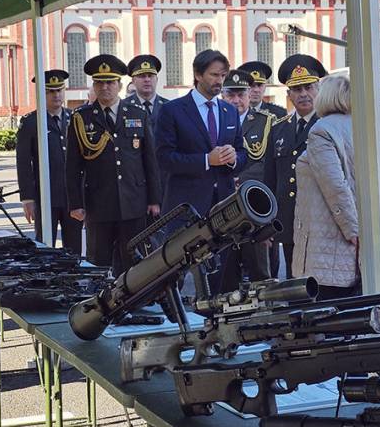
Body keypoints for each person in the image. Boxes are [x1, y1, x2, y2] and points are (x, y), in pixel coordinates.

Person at [293, 73, 380, 300]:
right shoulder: (367, 128)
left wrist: (353, 231)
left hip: (332, 239)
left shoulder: (321, 130)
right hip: (364, 240)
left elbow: (334, 186)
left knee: (330, 318)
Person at [155, 49, 246, 295]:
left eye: (223, 75)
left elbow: (242, 153)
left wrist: (232, 159)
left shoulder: (229, 111)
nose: (219, 81)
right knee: (175, 272)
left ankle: (212, 319)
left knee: (218, 274)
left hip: (223, 208)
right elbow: (164, 158)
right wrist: (206, 160)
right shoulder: (172, 111)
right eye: (213, 75)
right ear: (197, 74)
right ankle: (174, 319)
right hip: (185, 207)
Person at [66, 55, 161, 274]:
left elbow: (150, 161)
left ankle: (136, 305)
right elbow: (72, 165)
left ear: (119, 85)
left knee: (134, 263)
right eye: (100, 82)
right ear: (94, 86)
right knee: (98, 262)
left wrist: (154, 199)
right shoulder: (82, 118)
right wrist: (75, 203)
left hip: (133, 202)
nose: (105, 87)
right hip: (99, 203)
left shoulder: (137, 113)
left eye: (110, 82)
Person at [263, 55, 327, 279]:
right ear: (288, 94)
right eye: (296, 89)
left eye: (308, 87)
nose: (303, 94)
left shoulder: (328, 125)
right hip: (289, 221)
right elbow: (270, 180)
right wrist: (267, 222)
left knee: (320, 280)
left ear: (319, 88)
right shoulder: (279, 129)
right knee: (293, 277)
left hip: (319, 219)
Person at [16, 70, 82, 254]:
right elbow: (23, 162)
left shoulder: (75, 118)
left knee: (74, 247)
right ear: (42, 94)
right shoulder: (31, 122)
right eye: (50, 91)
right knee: (44, 247)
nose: (56, 95)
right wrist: (27, 198)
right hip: (45, 195)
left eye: (59, 90)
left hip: (72, 197)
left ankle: (73, 281)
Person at [219, 69, 271, 289]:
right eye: (231, 94)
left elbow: (268, 168)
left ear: (250, 94)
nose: (236, 100)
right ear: (223, 95)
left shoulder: (266, 122)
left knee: (261, 273)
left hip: (256, 208)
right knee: (225, 271)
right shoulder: (215, 121)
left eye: (241, 94)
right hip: (224, 207)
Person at [124, 55, 170, 128]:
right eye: (142, 76)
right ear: (133, 81)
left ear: (157, 79)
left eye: (150, 76)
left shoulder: (169, 107)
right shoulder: (123, 107)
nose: (147, 80)